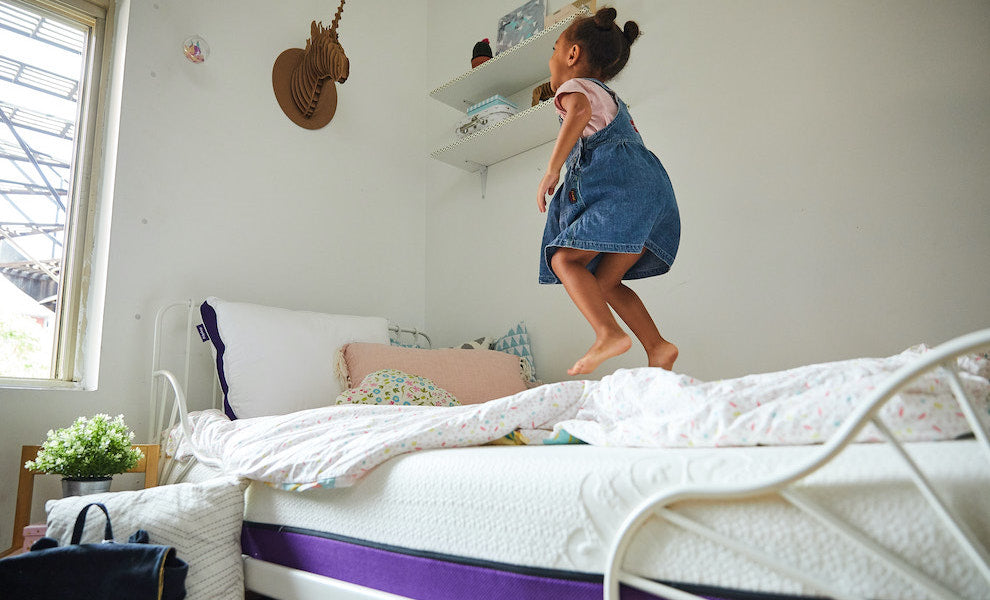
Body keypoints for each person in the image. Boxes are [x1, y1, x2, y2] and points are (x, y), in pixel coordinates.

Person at [538, 7, 680, 376]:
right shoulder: (614, 102)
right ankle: (658, 346)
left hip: (622, 192)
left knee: (565, 260)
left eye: (554, 49)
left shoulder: (575, 89)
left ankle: (607, 334)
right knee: (603, 282)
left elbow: (578, 112)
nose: (551, 60)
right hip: (651, 191)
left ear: (572, 55)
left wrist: (552, 169)